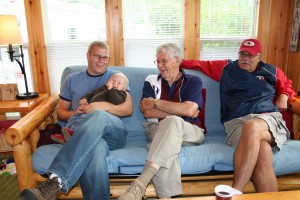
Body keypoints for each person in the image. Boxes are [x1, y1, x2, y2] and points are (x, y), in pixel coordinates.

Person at [180, 38, 296, 194]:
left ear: (259, 57)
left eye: (250, 55)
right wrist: (173, 62)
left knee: (253, 125)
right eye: (242, 54)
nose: (245, 59)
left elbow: (287, 85)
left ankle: (236, 191)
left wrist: (284, 95)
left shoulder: (271, 71)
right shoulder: (227, 68)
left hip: (268, 120)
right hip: (236, 124)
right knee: (263, 150)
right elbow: (200, 64)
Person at [20, 41, 133, 200]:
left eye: (105, 58)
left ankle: (56, 181)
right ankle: (54, 184)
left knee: (99, 115)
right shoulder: (72, 79)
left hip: (114, 132)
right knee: (96, 149)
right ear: (88, 56)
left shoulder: (116, 78)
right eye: (97, 56)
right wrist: (74, 113)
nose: (101, 61)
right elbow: (60, 112)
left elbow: (128, 109)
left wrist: (103, 106)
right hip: (87, 135)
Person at [119, 43, 205, 200]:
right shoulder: (151, 80)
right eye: (157, 61)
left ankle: (140, 183)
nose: (159, 65)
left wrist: (157, 103)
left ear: (177, 60)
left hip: (190, 131)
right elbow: (147, 112)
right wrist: (180, 109)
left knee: (172, 123)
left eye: (163, 61)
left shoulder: (194, 81)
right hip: (156, 128)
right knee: (166, 143)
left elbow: (189, 110)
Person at [51, 72, 129, 144]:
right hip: (88, 110)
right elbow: (91, 94)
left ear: (124, 89)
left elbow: (115, 100)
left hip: (100, 116)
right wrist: (84, 98)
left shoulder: (121, 94)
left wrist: (111, 89)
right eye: (113, 80)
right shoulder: (103, 88)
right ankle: (66, 133)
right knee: (75, 118)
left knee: (83, 122)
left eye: (119, 83)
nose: (115, 83)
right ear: (108, 81)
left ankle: (73, 134)